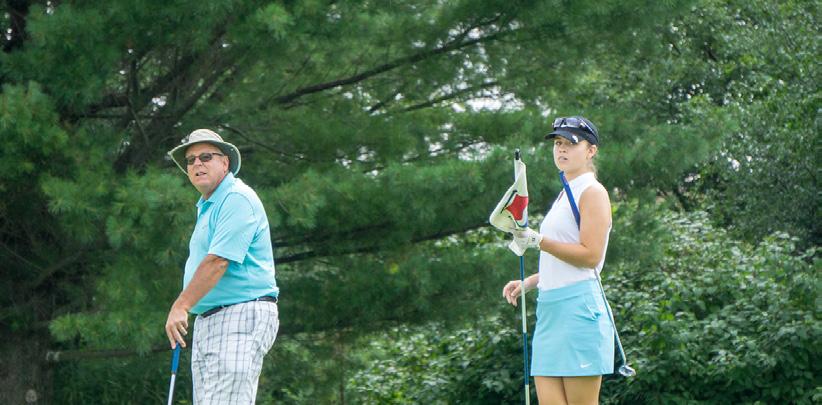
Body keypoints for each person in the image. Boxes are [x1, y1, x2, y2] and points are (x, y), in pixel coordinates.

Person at [502, 116, 614, 404]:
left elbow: (590, 256)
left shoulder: (593, 192)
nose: (561, 149)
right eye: (558, 143)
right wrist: (531, 282)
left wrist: (539, 241)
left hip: (579, 310)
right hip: (550, 310)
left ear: (591, 151)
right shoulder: (566, 193)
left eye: (571, 144)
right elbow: (564, 258)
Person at [165, 129, 280, 404]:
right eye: (191, 160)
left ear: (225, 162)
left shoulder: (236, 198)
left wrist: (181, 306)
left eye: (206, 157)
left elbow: (218, 262)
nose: (197, 164)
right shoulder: (209, 205)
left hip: (240, 313)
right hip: (211, 319)